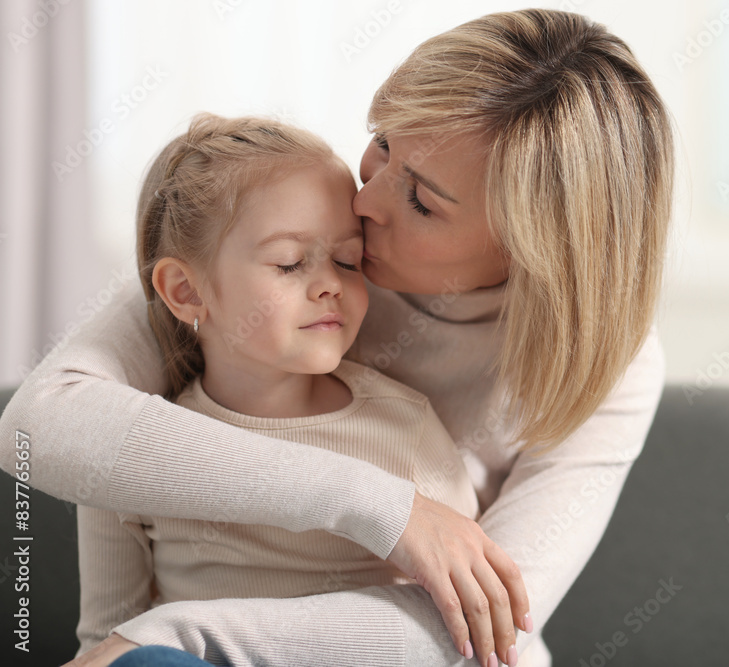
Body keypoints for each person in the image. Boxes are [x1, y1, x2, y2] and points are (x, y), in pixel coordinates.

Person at [1, 9, 673, 667]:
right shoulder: (294, 235)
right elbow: (37, 428)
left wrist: (174, 633)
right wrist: (386, 507)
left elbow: (475, 636)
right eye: (383, 142)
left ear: (532, 249)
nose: (365, 200)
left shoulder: (610, 364)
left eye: (421, 201)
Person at [73, 113, 481, 657]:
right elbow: (107, 642)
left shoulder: (404, 428)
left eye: (347, 260)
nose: (330, 285)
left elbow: (466, 618)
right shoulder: (135, 452)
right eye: (290, 264)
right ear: (187, 291)